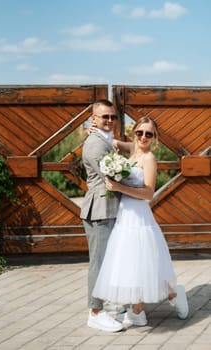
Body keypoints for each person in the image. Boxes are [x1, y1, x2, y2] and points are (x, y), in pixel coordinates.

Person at [92, 116, 189, 327]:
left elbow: (148, 193)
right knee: (131, 263)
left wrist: (119, 188)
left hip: (139, 216)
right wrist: (96, 128)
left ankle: (173, 295)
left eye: (149, 134)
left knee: (145, 263)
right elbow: (112, 142)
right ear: (134, 132)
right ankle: (137, 310)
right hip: (124, 215)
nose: (143, 137)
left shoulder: (149, 158)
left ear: (154, 138)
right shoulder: (132, 149)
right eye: (140, 132)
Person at [80, 99, 123, 332]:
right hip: (100, 208)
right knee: (99, 262)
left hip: (108, 207)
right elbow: (115, 177)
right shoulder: (96, 145)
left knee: (109, 260)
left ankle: (110, 302)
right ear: (93, 119)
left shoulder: (103, 139)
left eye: (112, 117)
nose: (109, 120)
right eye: (104, 116)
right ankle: (95, 312)